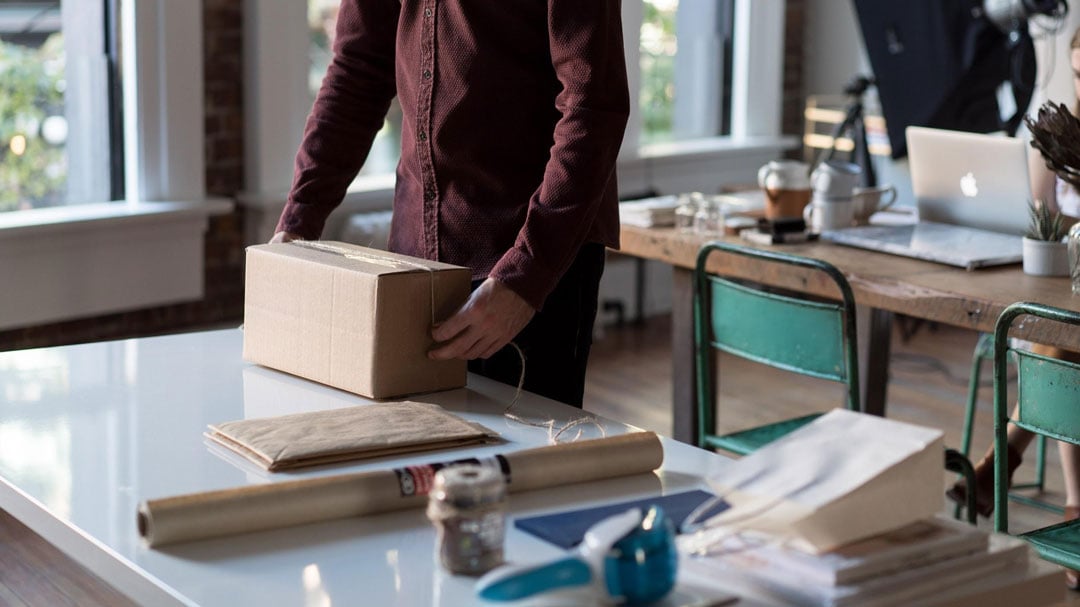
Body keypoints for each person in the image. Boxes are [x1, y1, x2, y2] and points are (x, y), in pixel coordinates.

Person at [270, 2, 629, 407]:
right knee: (415, 455)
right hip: (413, 261)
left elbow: (592, 107)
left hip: (528, 260)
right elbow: (358, 71)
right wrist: (299, 220)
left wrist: (526, 277)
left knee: (525, 463)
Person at [947, 24, 1080, 591]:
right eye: (1078, 74)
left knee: (1062, 343)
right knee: (1061, 338)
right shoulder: (1063, 133)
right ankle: (1074, 506)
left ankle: (1004, 464)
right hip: (1069, 290)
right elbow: (1045, 224)